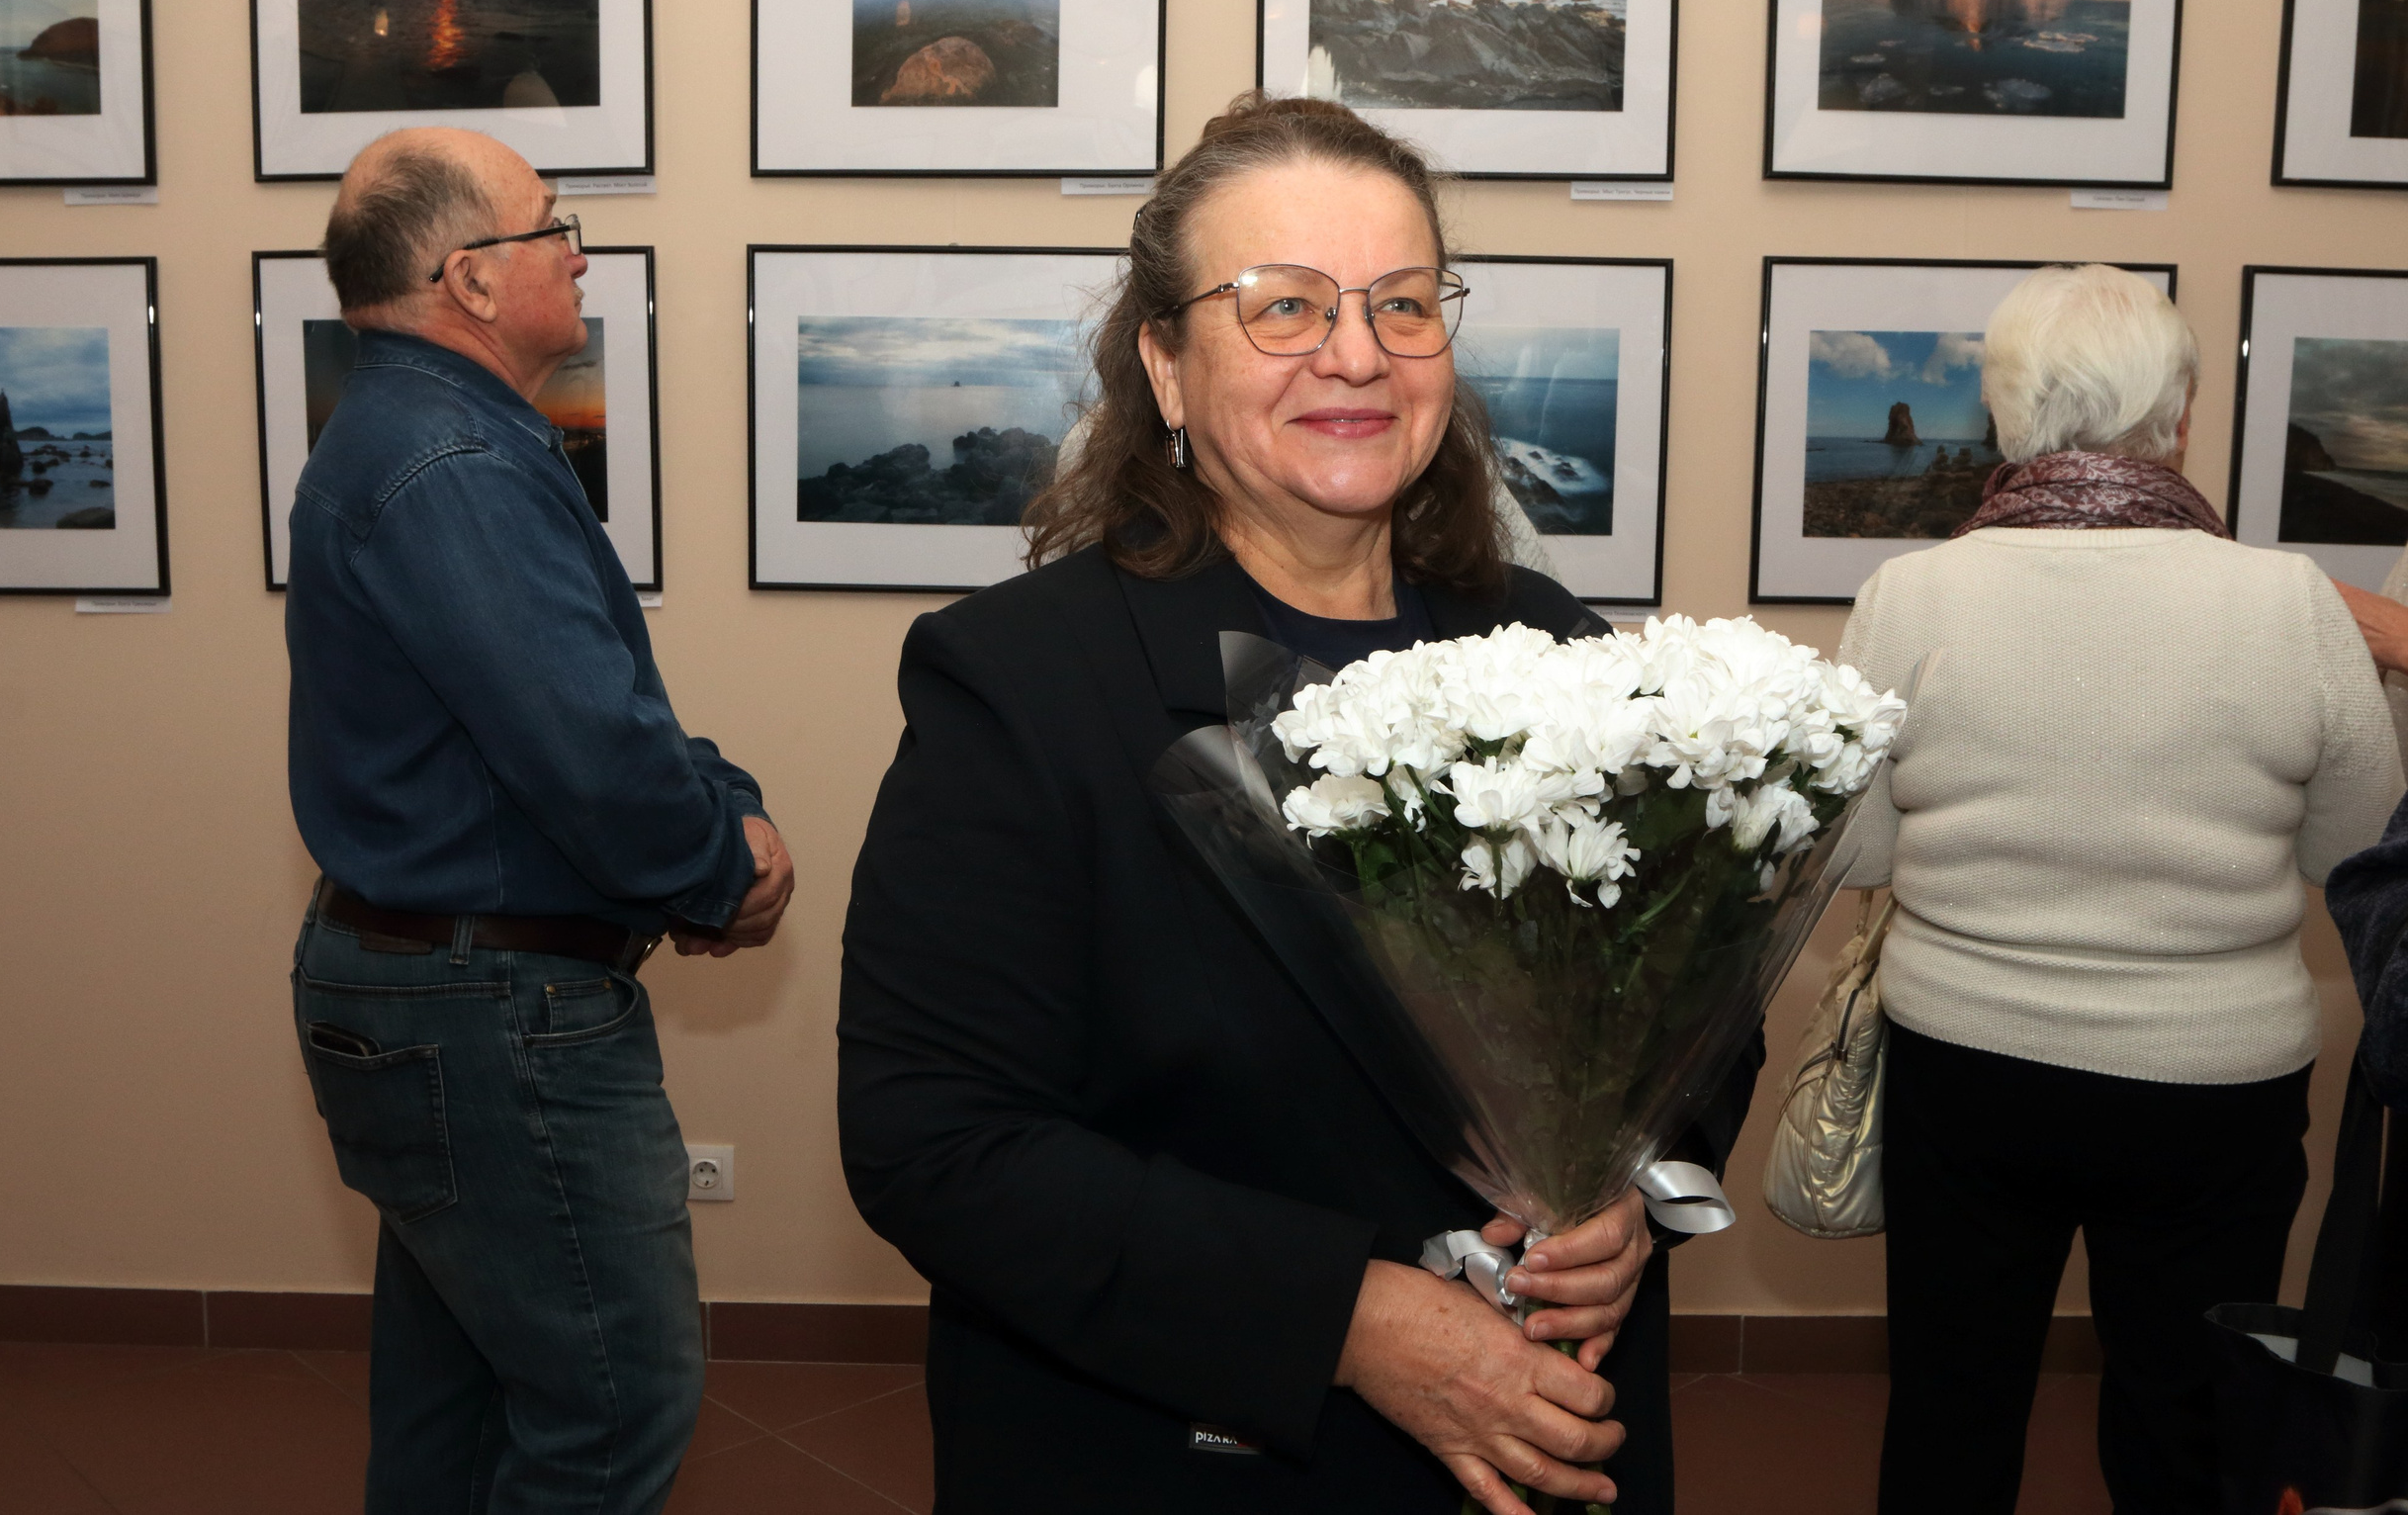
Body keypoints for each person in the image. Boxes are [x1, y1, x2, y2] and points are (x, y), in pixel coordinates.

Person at [837, 93, 1760, 1514]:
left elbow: (1695, 1018)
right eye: (1283, 306)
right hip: (1201, 1454)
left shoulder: (1554, 643)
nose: (1356, 353)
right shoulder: (1021, 680)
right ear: (1164, 363)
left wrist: (1635, 1194)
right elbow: (938, 1141)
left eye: (1403, 303)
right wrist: (1348, 1317)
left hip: (1552, 1433)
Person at [1834, 262, 2403, 1515]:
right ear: (2180, 416)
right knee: (2185, 1434)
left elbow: (1855, 855)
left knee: (1950, 1409)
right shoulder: (2292, 603)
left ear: (2004, 413)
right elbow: (2355, 852)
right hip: (2215, 1085)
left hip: (1965, 1066)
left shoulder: (1908, 596)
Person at [284, 127, 794, 1514]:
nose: (578, 253)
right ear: (470, 280)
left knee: (456, 1409)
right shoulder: (449, 458)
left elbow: (581, 707)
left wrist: (713, 810)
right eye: (553, 226)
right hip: (490, 1010)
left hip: (439, 987)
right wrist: (721, 864)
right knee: (612, 1409)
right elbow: (589, 752)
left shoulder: (425, 433)